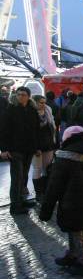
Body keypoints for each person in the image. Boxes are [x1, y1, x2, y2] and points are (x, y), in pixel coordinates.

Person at [39, 126, 83, 276]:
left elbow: (54, 187)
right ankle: (73, 254)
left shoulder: (64, 158)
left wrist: (45, 211)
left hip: (71, 203)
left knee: (78, 231)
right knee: (76, 229)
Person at [0, 86, 40, 214]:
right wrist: (4, 149)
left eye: (23, 94)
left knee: (24, 177)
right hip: (15, 149)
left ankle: (22, 200)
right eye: (18, 94)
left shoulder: (32, 110)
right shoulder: (11, 110)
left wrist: (36, 147)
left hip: (28, 149)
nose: (20, 96)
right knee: (17, 177)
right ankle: (15, 206)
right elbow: (3, 130)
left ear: (28, 96)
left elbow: (36, 130)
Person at [31, 95, 57, 202]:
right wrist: (35, 147)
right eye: (41, 102)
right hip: (36, 146)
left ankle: (46, 191)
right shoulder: (31, 113)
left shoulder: (48, 111)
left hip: (48, 144)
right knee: (37, 168)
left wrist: (54, 142)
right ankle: (38, 193)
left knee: (47, 168)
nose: (43, 104)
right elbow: (30, 132)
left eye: (44, 102)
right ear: (35, 102)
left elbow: (53, 127)